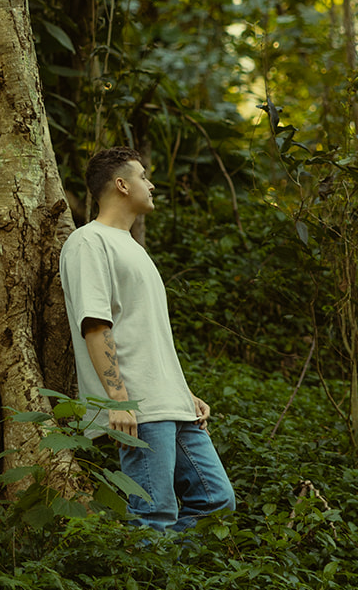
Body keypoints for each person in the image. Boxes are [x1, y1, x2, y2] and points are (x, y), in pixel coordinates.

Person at [59, 146, 235, 535]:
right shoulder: (89, 242)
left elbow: (147, 334)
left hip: (171, 404)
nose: (151, 184)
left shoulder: (134, 248)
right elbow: (95, 325)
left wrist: (183, 392)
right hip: (138, 409)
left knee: (217, 501)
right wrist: (117, 402)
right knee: (154, 514)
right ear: (121, 184)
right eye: (143, 176)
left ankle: (179, 587)